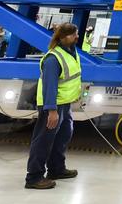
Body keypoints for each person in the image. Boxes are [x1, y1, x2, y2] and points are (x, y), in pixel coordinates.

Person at [25, 22, 82, 190]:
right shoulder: (53, 58)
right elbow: (50, 86)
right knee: (44, 140)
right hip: (53, 106)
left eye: (76, 33)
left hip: (65, 104)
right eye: (73, 35)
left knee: (62, 136)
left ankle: (56, 169)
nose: (77, 37)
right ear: (63, 37)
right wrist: (51, 110)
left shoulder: (71, 52)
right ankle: (34, 177)